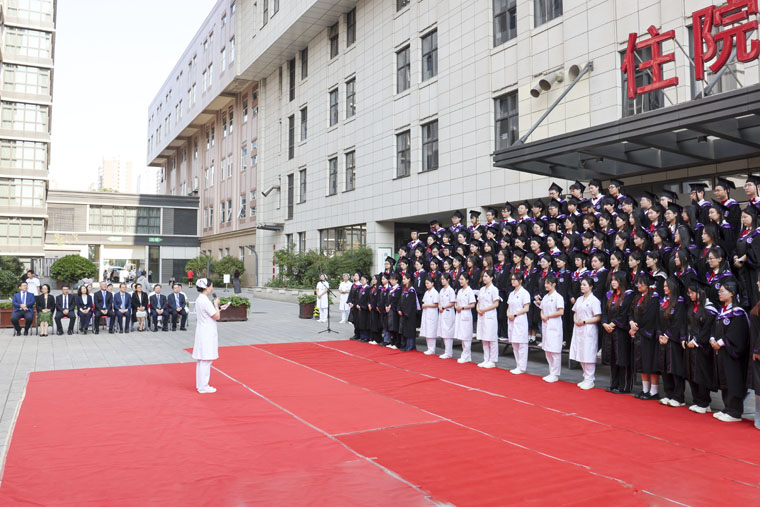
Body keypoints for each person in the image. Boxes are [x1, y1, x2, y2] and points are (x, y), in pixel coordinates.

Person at [710, 280, 749, 422]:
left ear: (732, 293)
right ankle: (727, 407)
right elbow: (715, 328)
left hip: (732, 353)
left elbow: (737, 334)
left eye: (722, 291)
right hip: (722, 352)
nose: (719, 293)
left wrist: (721, 342)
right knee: (724, 379)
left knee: (733, 379)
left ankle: (735, 412)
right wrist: (712, 338)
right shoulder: (722, 311)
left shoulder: (738, 313)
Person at [685, 284, 717, 414]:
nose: (690, 295)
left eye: (692, 292)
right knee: (691, 373)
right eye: (689, 293)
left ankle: (704, 402)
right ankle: (697, 400)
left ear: (700, 292)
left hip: (702, 347)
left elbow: (707, 328)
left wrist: (696, 341)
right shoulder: (693, 306)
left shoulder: (709, 309)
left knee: (702, 374)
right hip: (690, 345)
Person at [629, 274, 661, 400]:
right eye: (638, 283)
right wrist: (631, 322)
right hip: (639, 333)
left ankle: (654, 391)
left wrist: (636, 328)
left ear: (648, 284)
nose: (638, 285)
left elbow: (650, 316)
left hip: (648, 334)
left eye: (641, 283)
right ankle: (645, 389)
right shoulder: (638, 297)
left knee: (650, 362)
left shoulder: (654, 298)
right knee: (641, 361)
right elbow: (631, 312)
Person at [657, 277, 687, 407]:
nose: (664, 288)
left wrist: (667, 335)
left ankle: (678, 397)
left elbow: (678, 322)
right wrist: (659, 334)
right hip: (663, 340)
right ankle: (668, 393)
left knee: (675, 368)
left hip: (673, 340)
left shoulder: (679, 302)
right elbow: (658, 320)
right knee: (664, 368)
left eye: (666, 286)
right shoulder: (663, 301)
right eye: (664, 286)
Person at [192, 278, 226, 393]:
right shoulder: (205, 301)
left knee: (202, 360)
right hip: (206, 332)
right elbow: (217, 316)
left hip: (203, 330)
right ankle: (203, 386)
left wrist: (218, 308)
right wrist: (216, 304)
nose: (212, 288)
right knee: (206, 359)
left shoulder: (201, 299)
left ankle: (200, 384)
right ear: (206, 287)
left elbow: (211, 313)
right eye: (211, 286)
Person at [571, 278, 602, 390]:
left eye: (584, 285)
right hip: (578, 328)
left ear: (591, 286)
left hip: (588, 328)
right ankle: (585, 377)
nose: (582, 287)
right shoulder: (579, 299)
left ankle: (590, 379)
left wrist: (584, 321)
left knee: (588, 353)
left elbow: (598, 317)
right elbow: (575, 312)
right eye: (581, 285)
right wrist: (575, 320)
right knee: (580, 352)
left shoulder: (594, 301)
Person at [539, 274, 564, 382]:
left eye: (548, 283)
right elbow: (542, 309)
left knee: (554, 351)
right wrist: (542, 315)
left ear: (554, 284)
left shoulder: (558, 297)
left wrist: (548, 316)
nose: (545, 285)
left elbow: (561, 311)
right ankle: (551, 372)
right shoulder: (545, 297)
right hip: (546, 324)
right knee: (547, 350)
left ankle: (555, 374)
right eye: (545, 283)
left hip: (554, 325)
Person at [507, 271, 531, 374]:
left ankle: (522, 367)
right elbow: (508, 307)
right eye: (512, 279)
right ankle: (518, 365)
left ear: (520, 281)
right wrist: (508, 314)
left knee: (521, 345)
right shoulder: (511, 293)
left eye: (515, 279)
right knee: (514, 344)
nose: (513, 281)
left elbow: (526, 308)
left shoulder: (524, 293)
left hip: (520, 319)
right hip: (511, 320)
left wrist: (515, 314)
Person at [476, 269, 501, 368]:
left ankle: (492, 360)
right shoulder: (482, 289)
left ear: (491, 278)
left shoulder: (494, 289)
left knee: (491, 338)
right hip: (482, 315)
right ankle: (486, 358)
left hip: (490, 315)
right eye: (483, 276)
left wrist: (484, 309)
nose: (484, 278)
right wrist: (478, 309)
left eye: (486, 276)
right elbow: (478, 301)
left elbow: (496, 303)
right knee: (484, 338)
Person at [454, 273, 476, 363]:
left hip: (466, 313)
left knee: (466, 336)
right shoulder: (460, 291)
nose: (460, 281)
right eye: (460, 279)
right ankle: (466, 355)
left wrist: (462, 307)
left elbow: (472, 304)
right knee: (462, 336)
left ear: (467, 280)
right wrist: (456, 306)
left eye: (462, 279)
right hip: (459, 314)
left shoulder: (469, 291)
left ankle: (465, 355)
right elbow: (456, 301)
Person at [437, 272, 457, 359]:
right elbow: (438, 301)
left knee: (448, 332)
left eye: (443, 279)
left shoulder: (451, 290)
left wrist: (444, 307)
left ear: (448, 280)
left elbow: (452, 302)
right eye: (441, 279)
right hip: (442, 312)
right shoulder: (441, 290)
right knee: (443, 331)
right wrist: (440, 307)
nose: (442, 281)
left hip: (448, 312)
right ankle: (446, 351)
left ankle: (449, 352)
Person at [398, 273, 420, 351]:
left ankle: (410, 346)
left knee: (410, 330)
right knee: (405, 330)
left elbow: (411, 304)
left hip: (410, 314)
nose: (403, 280)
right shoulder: (404, 289)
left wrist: (405, 312)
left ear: (409, 279)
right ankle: (405, 345)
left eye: (404, 279)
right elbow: (400, 301)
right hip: (404, 313)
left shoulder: (411, 290)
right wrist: (399, 309)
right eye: (403, 279)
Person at [420, 276, 440, 355]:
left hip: (432, 313)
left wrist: (426, 305)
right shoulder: (426, 292)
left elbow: (436, 304)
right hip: (426, 313)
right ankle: (429, 348)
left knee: (431, 331)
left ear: (432, 283)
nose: (427, 285)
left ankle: (432, 348)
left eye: (428, 283)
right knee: (427, 330)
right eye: (426, 283)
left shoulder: (435, 292)